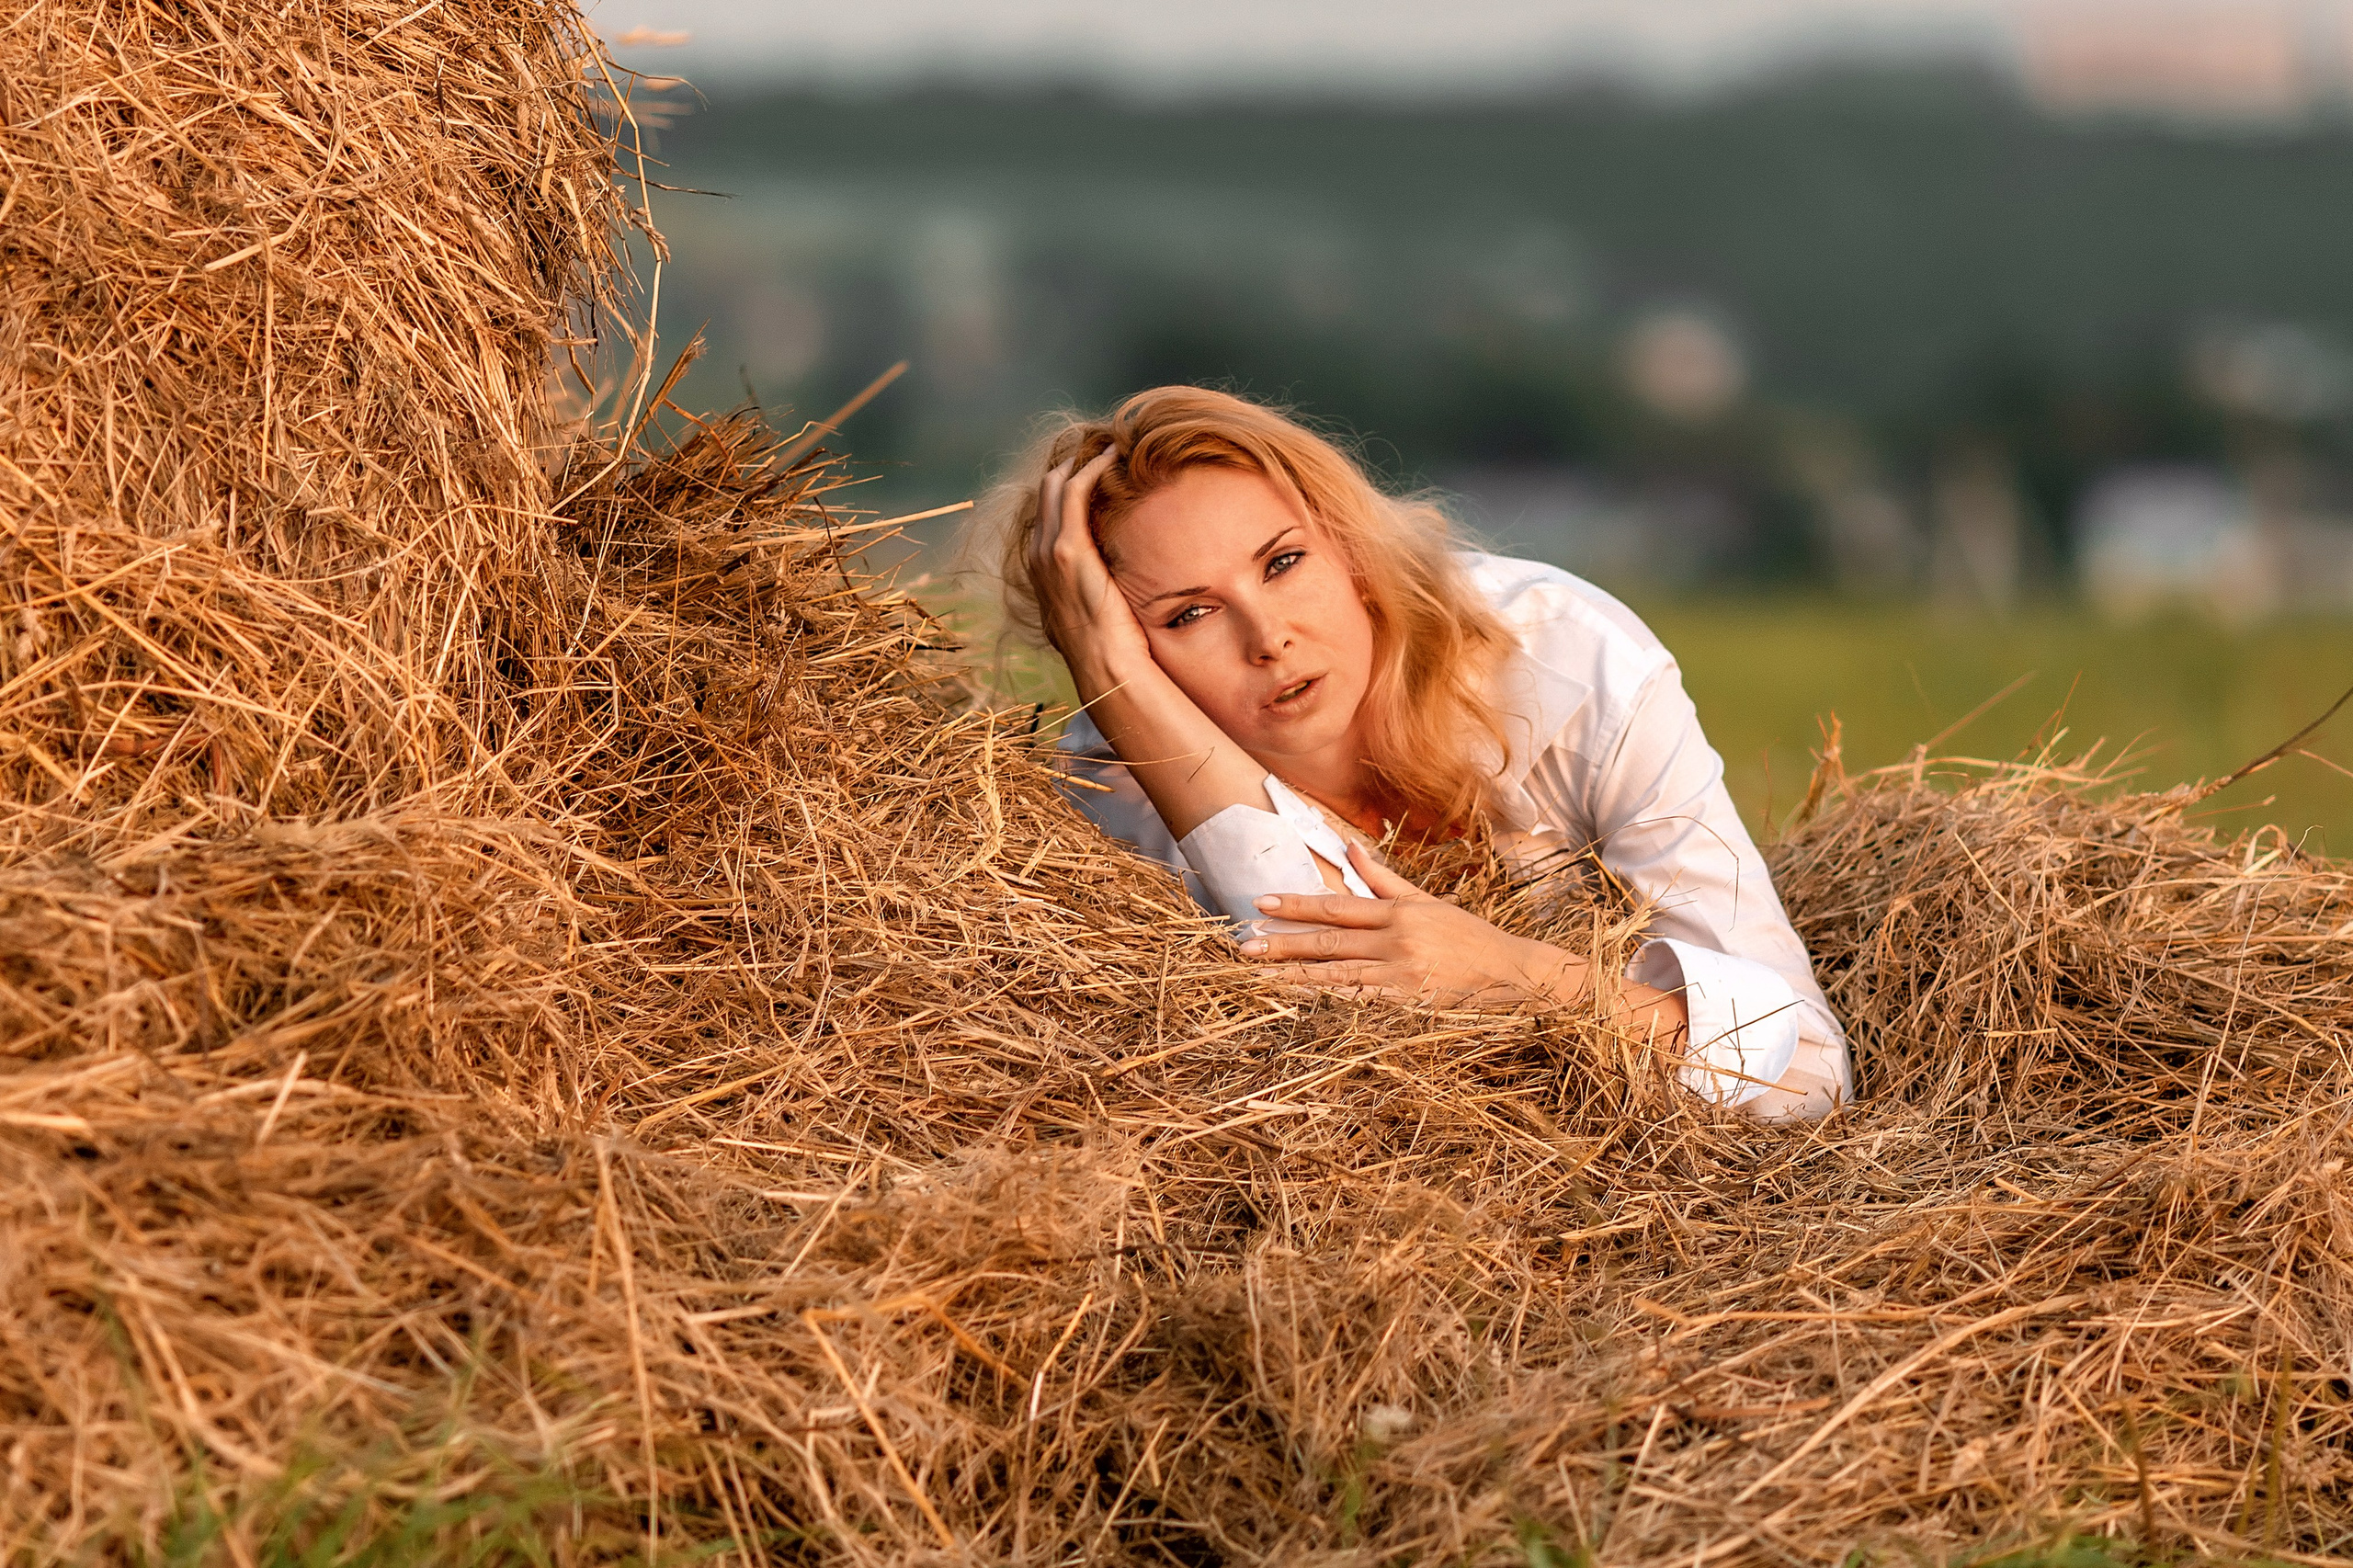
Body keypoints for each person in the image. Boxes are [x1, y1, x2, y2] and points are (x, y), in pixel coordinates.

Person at [970, 387, 1849, 1121]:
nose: (1268, 637)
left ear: (1349, 548)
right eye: (1186, 616)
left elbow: (1807, 1076)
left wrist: (1511, 973)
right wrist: (1112, 680)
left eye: (1282, 563)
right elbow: (1336, 1035)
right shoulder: (1112, 786)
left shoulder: (1565, 661)